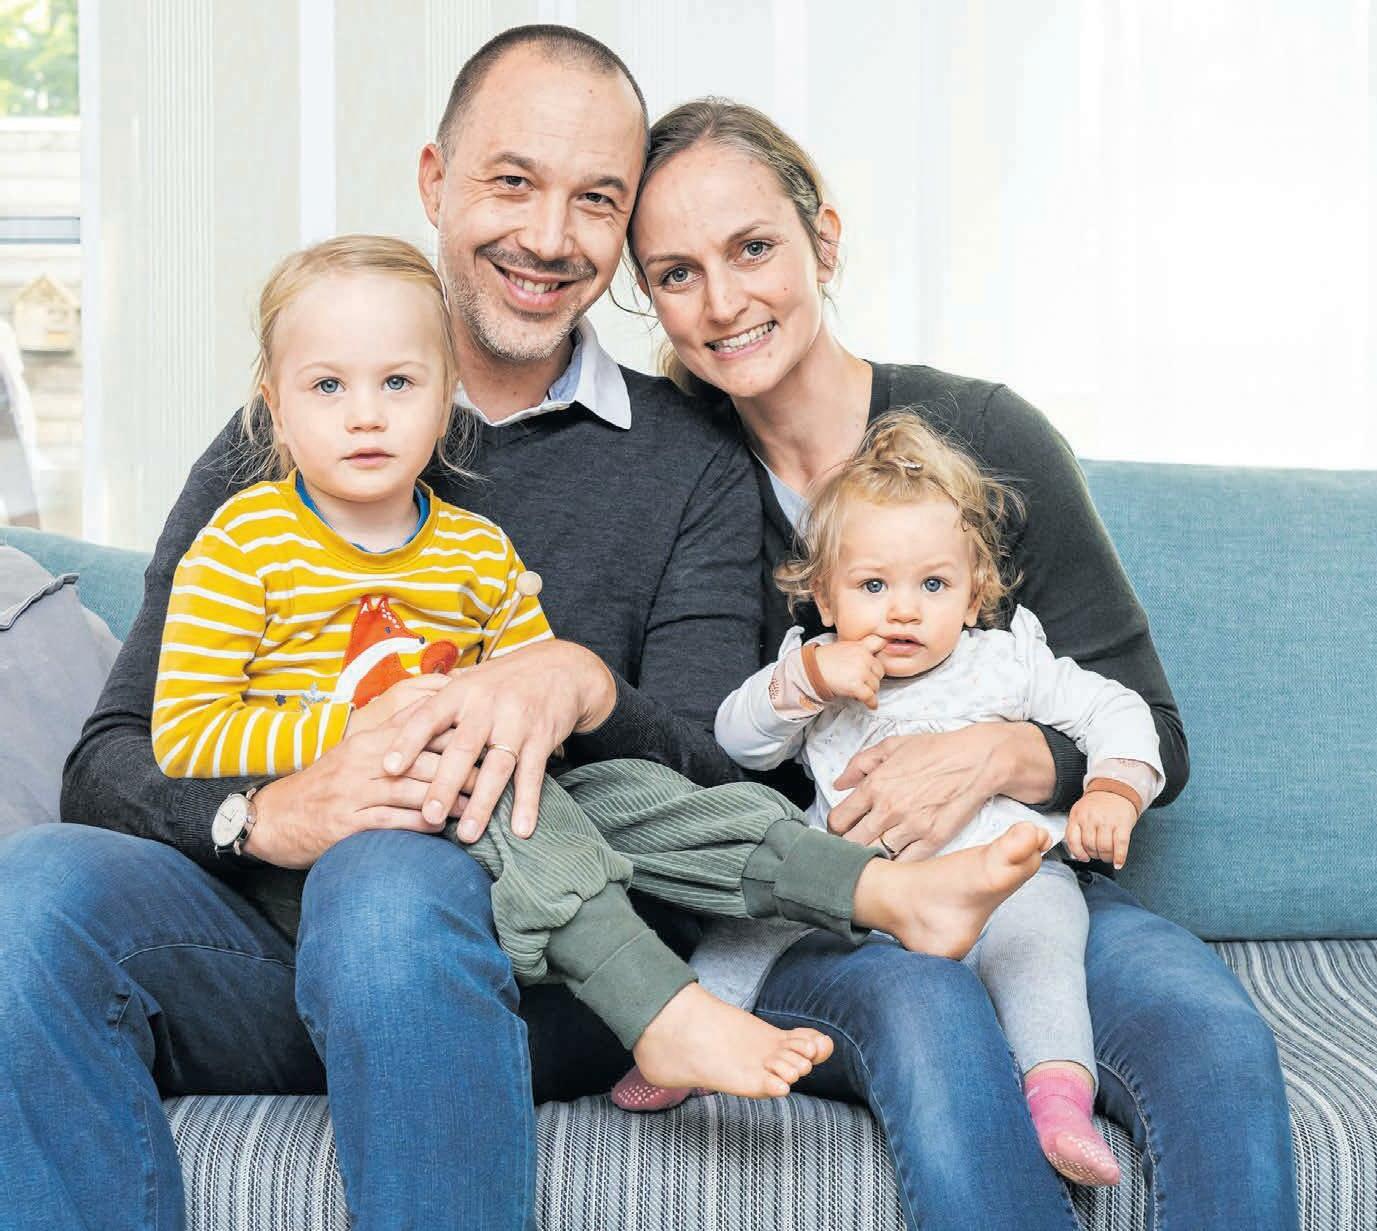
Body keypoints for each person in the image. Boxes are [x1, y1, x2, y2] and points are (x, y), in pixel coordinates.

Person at [0, 28, 1050, 1231]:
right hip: (260, 942)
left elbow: (721, 775)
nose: (549, 237)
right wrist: (268, 814)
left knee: (392, 876)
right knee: (33, 888)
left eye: (595, 199)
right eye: (512, 181)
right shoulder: (280, 441)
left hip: (537, 953)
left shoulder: (688, 463)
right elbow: (111, 761)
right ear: (435, 180)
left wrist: (581, 683)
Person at [151, 233, 1052, 1100]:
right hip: (337, 855)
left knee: (631, 789)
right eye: (327, 386)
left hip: (483, 809)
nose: (365, 414)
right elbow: (184, 734)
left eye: (398, 382)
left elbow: (536, 713)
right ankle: (659, 1008)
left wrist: (526, 710)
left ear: (446, 395)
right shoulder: (243, 543)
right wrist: (354, 732)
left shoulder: (477, 549)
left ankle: (882, 888)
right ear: (275, 406)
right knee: (499, 797)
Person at [625, 96, 1298, 1230]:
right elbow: (685, 759)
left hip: (1021, 876)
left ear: (823, 241)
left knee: (1212, 1041)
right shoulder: (667, 477)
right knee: (927, 1014)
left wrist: (996, 752)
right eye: (676, 273)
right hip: (815, 911)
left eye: (753, 248)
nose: (724, 302)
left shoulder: (983, 435)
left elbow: (1153, 730)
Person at [620, 412, 1165, 1189]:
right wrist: (808, 680)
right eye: (873, 585)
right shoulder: (817, 668)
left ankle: (1057, 1098)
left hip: (1007, 883)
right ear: (823, 593)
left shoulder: (1004, 663)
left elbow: (1119, 708)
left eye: (933, 585)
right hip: (856, 888)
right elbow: (739, 740)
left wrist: (1112, 786)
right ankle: (687, 1041)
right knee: (749, 919)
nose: (903, 609)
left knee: (1045, 947)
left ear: (974, 594)